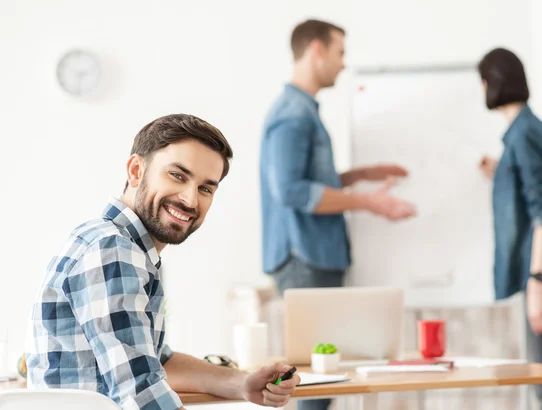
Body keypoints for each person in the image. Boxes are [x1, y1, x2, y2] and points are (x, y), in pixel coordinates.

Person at [25, 114, 300, 410]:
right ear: (135, 171)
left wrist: (241, 383)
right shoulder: (112, 249)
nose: (190, 200)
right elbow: (141, 391)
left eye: (206, 188)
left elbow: (156, 360)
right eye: (178, 176)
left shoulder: (123, 249)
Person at [259, 19, 416, 410]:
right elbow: (291, 190)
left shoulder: (303, 111)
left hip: (315, 257)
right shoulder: (292, 115)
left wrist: (360, 176)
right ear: (317, 50)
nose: (344, 64)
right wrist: (370, 202)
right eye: (339, 52)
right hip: (304, 258)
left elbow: (308, 179)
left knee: (321, 381)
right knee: (315, 383)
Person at [477, 48, 542, 410]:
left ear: (492, 83)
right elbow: (531, 192)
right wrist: (500, 171)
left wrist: (537, 283)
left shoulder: (524, 135)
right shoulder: (523, 133)